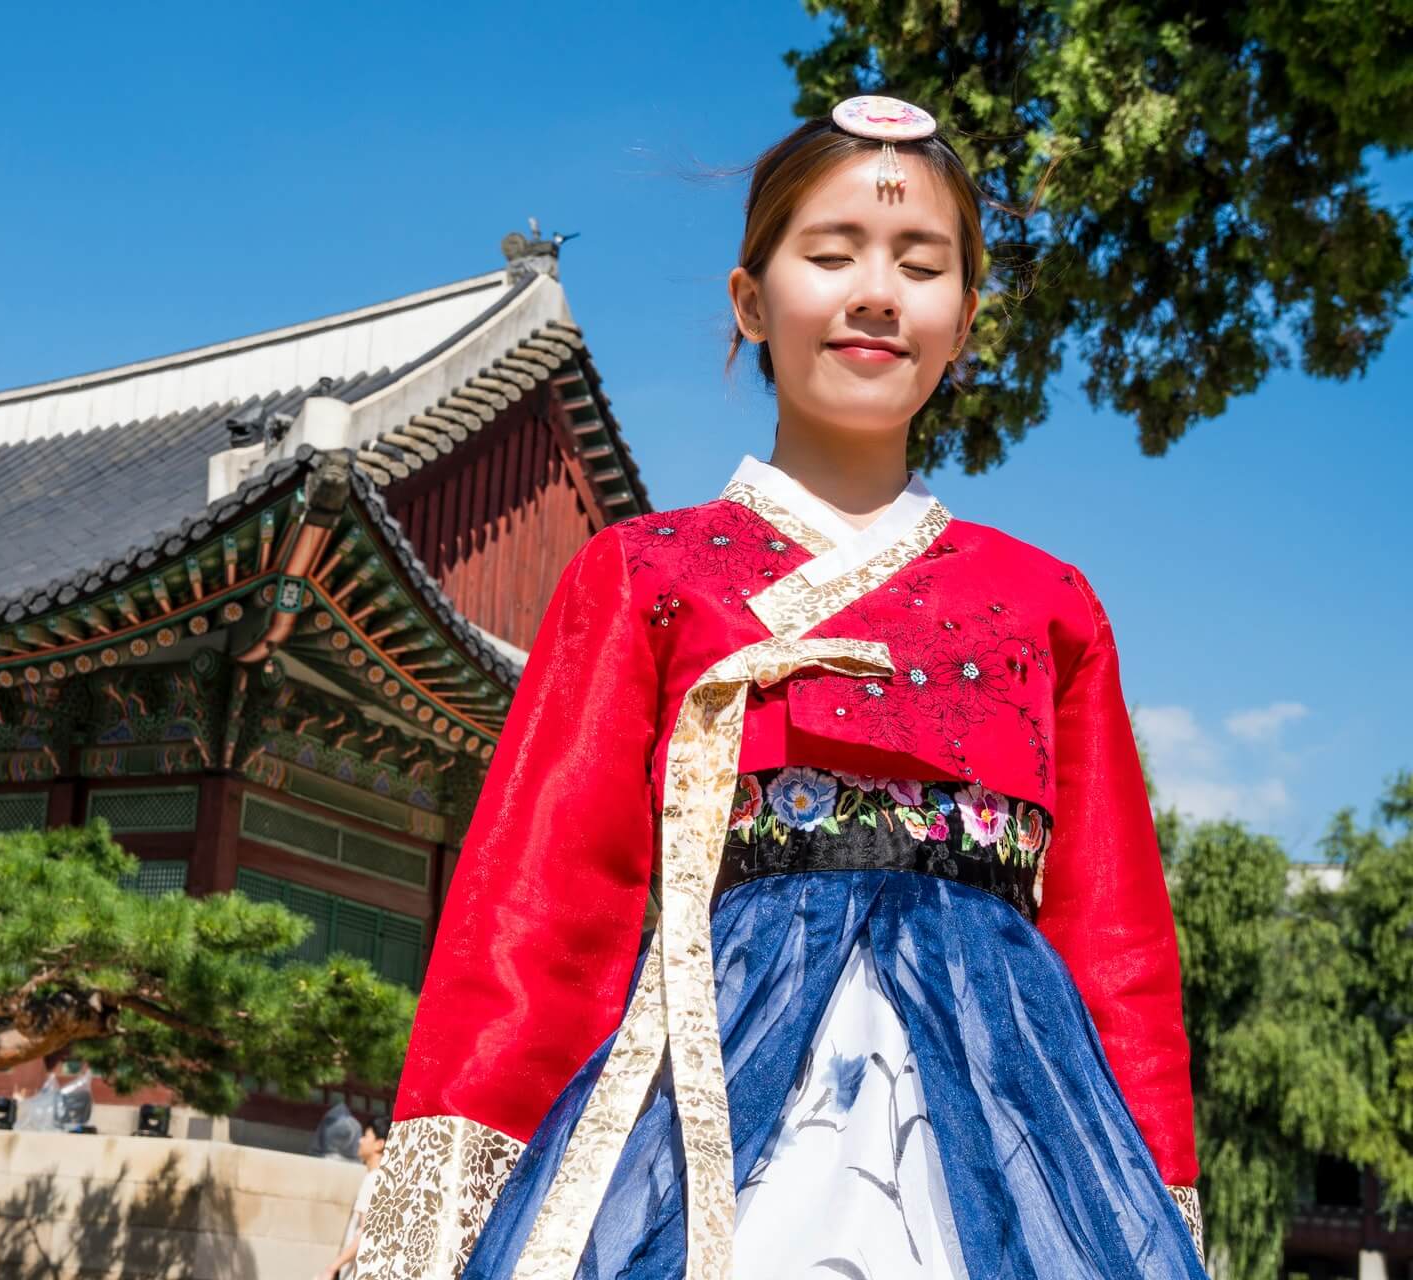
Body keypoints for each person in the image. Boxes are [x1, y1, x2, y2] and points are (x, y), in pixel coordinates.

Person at [356, 96, 1205, 1280]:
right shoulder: (643, 574)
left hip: (1015, 1125)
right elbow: (538, 911)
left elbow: (1113, 938)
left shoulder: (1048, 604)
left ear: (964, 320)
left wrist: (1150, 1190)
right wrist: (442, 1208)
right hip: (714, 1101)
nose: (875, 291)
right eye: (831, 252)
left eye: (921, 264)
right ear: (751, 301)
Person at [318, 1115, 389, 1280]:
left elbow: (365, 1232)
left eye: (366, 1136)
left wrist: (331, 1269)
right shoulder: (382, 1179)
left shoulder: (373, 1180)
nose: (360, 1140)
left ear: (380, 1144)